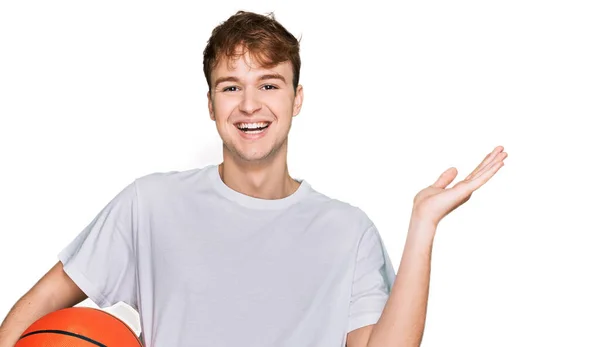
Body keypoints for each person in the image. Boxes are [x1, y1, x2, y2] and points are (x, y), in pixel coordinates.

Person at [0, 10, 507, 347]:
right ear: (210, 104)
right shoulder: (149, 204)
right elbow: (42, 302)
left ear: (296, 99)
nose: (249, 105)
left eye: (269, 83)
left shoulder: (346, 231)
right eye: (230, 87)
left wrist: (423, 225)